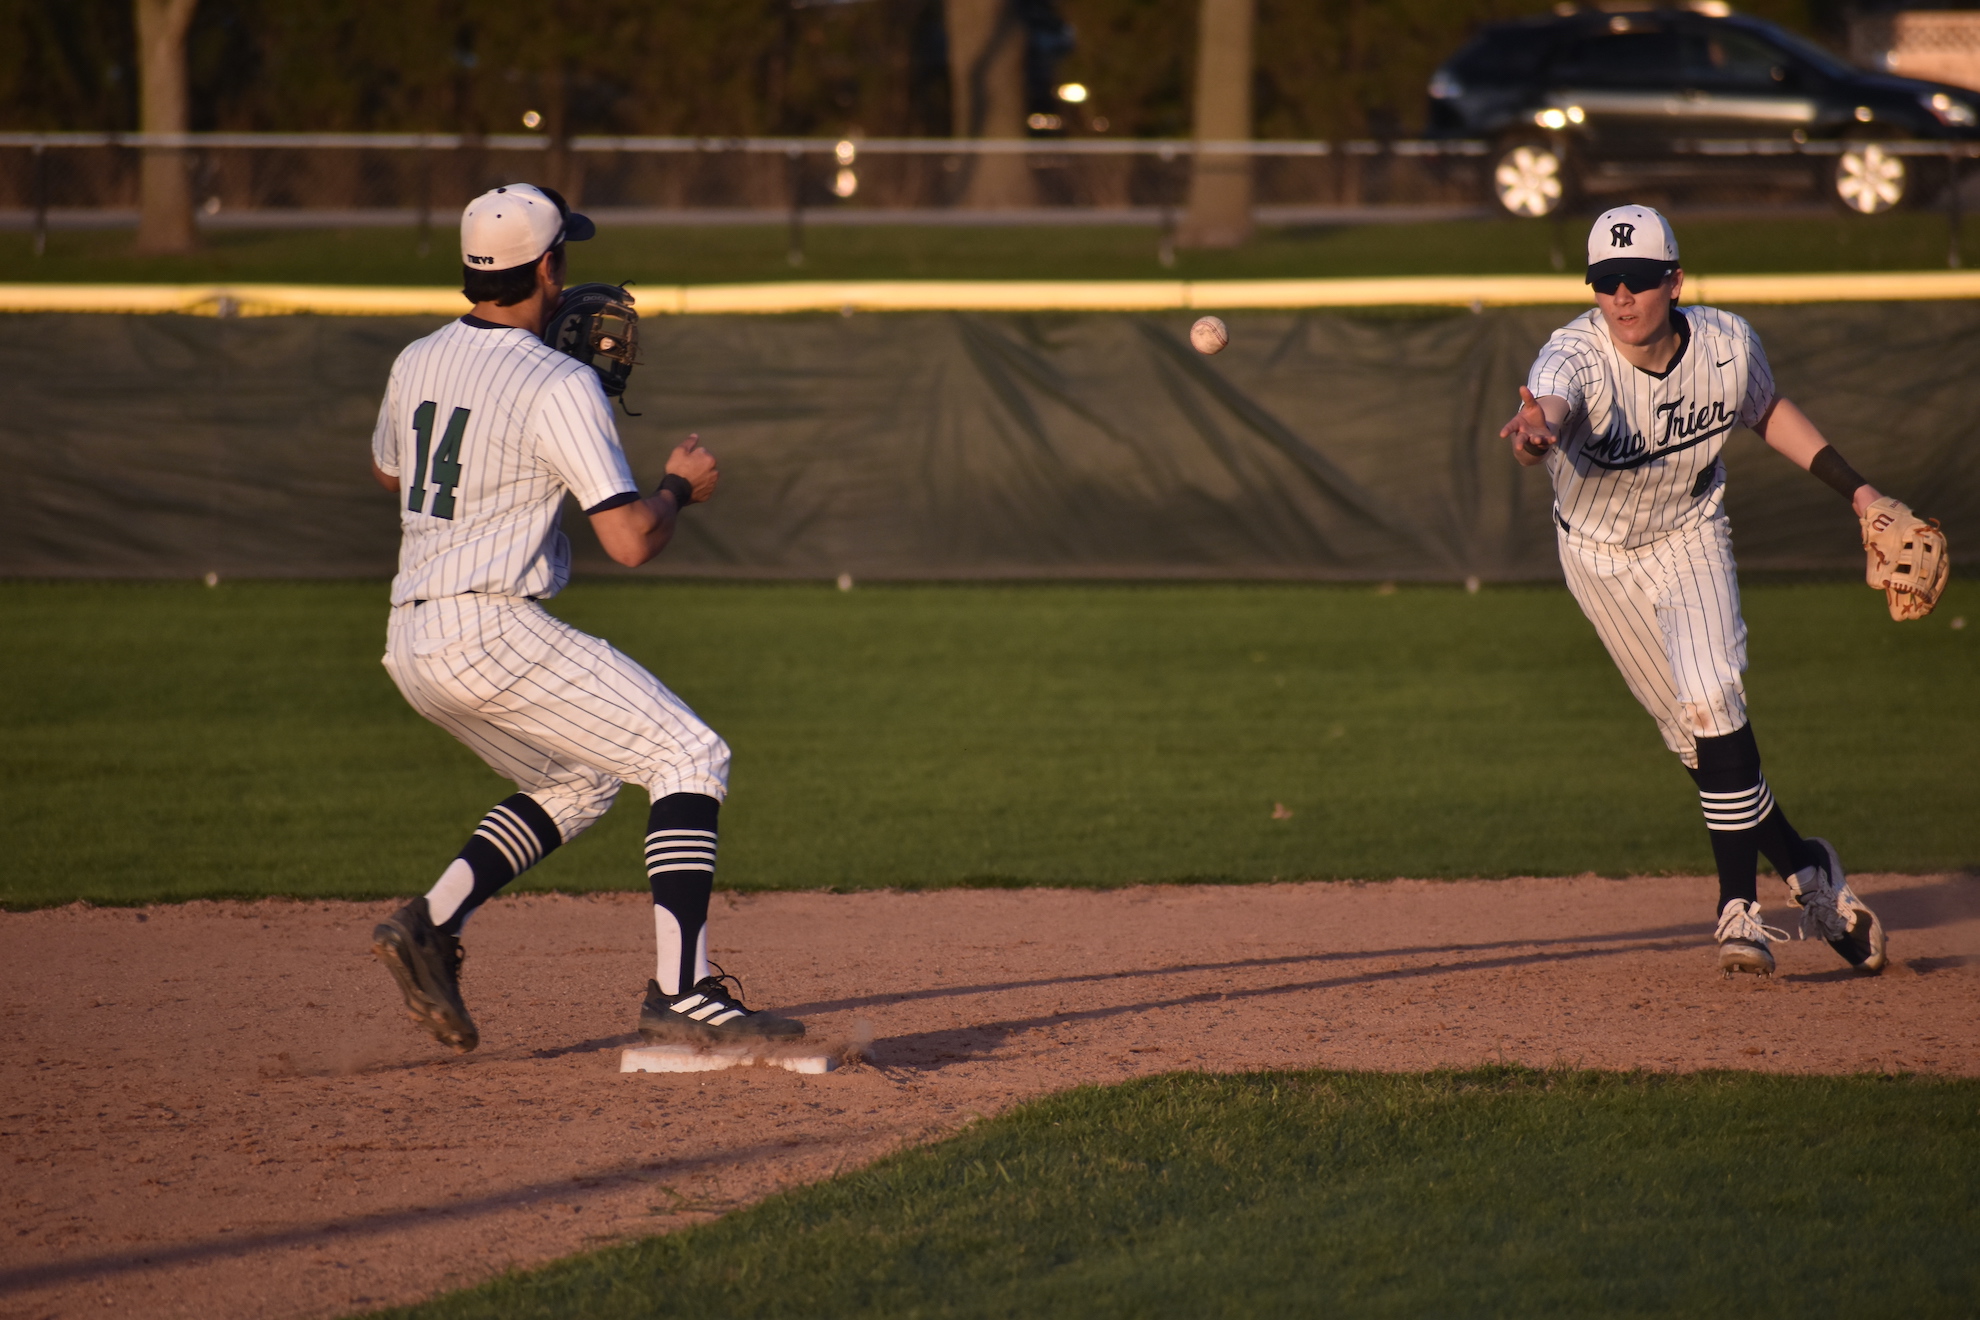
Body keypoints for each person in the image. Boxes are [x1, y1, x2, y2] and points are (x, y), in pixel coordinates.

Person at [366, 183, 804, 1050]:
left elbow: (393, 473)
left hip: (411, 638)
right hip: (490, 629)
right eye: (566, 260)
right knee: (689, 754)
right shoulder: (559, 382)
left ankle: (429, 923)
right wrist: (680, 487)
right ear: (548, 266)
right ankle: (682, 993)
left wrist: (515, 462)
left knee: (578, 781)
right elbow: (632, 541)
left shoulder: (417, 357)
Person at [1500, 204, 1889, 978]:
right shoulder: (1574, 358)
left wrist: (1862, 495)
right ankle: (1810, 871)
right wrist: (1533, 427)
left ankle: (1736, 909)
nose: (1621, 297)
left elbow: (1767, 411)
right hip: (1599, 560)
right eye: (1605, 282)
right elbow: (1550, 404)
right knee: (1694, 743)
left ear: (1673, 281)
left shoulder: (1725, 344)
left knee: (1715, 703)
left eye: (1638, 281)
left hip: (1689, 534)